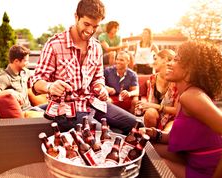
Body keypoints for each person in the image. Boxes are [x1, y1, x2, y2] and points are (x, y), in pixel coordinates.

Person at [30, 0, 142, 135]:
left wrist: (100, 87)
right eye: (87, 24)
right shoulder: (54, 44)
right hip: (67, 110)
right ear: (76, 17)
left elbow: (98, 77)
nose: (90, 31)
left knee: (137, 125)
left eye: (95, 26)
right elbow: (35, 81)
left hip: (93, 103)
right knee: (105, 136)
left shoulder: (96, 47)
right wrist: (50, 86)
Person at [140, 41, 222, 178]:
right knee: (144, 147)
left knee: (148, 161)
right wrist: (155, 134)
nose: (169, 63)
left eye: (176, 60)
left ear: (190, 68)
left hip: (212, 170)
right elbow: (181, 137)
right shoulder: (185, 95)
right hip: (194, 159)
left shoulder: (191, 96)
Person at [135, 49, 178, 131]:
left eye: (156, 59)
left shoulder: (176, 81)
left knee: (167, 132)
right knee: (150, 112)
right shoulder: (153, 78)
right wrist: (144, 107)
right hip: (156, 115)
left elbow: (176, 111)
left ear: (164, 60)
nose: (153, 62)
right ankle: (150, 140)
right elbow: (150, 104)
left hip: (172, 118)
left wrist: (154, 106)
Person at [0, 45, 45, 113]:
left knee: (54, 108)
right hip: (24, 113)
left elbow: (38, 78)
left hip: (32, 108)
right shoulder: (4, 77)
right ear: (16, 61)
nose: (28, 63)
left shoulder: (25, 72)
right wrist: (10, 92)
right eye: (26, 61)